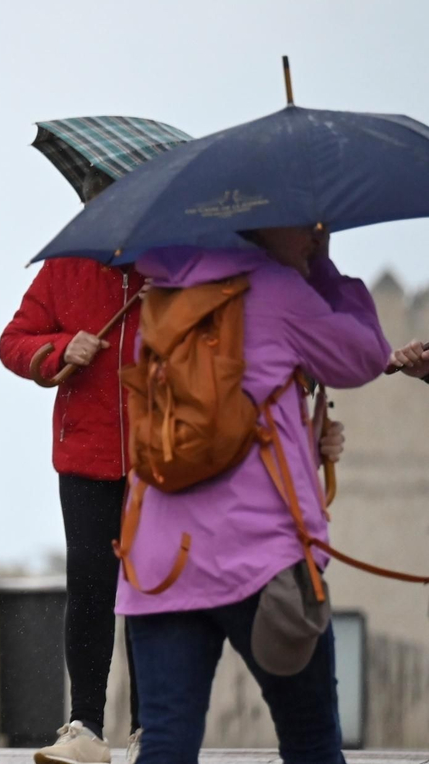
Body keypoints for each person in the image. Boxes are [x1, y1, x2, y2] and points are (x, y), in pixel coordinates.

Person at [119, 226, 391, 763]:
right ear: (267, 224)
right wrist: (325, 275)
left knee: (166, 744)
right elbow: (366, 356)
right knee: (311, 739)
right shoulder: (278, 289)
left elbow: (202, 426)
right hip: (262, 560)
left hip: (160, 563)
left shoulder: (164, 296)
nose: (318, 238)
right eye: (310, 229)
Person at [0, 167, 142, 764]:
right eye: (92, 203)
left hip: (162, 459)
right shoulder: (64, 269)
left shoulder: (174, 272)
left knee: (151, 590)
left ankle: (154, 726)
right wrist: (61, 349)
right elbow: (13, 340)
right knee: (89, 588)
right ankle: (85, 726)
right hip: (85, 456)